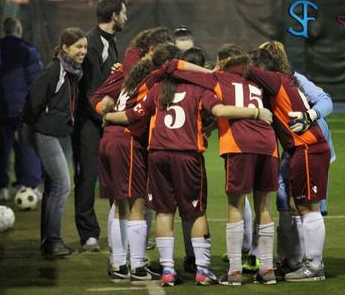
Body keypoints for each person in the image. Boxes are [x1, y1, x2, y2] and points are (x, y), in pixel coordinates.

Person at [102, 47, 273, 287]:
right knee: (195, 212)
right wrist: (255, 112)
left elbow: (133, 114)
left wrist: (108, 117)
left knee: (164, 212)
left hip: (158, 155)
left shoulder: (157, 89)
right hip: (187, 155)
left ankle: (168, 271)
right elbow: (218, 111)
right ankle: (203, 270)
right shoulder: (200, 89)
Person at [162, 44, 280, 285]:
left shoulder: (217, 78)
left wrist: (209, 72)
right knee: (265, 207)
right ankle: (267, 269)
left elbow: (172, 67)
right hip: (268, 143)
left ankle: (235, 271)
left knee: (235, 206)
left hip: (239, 144)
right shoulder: (254, 81)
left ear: (223, 62)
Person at [90, 43, 180, 282]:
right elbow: (135, 114)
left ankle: (119, 262)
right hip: (126, 141)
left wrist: (106, 116)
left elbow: (131, 52)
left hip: (110, 139)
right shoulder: (151, 81)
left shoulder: (132, 76)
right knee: (138, 204)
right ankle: (136, 265)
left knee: (121, 205)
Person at [246, 42, 330, 281]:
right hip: (299, 149)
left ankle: (314, 266)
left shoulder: (275, 79)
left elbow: (248, 70)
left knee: (308, 206)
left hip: (308, 148)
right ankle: (297, 261)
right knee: (294, 205)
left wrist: (227, 65)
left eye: (256, 66)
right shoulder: (283, 80)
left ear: (263, 66)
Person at [22, 27, 87, 258]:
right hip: (47, 133)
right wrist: (31, 128)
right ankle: (53, 242)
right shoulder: (54, 70)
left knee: (53, 187)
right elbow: (33, 101)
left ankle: (48, 242)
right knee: (62, 184)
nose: (83, 51)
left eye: (85, 47)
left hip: (62, 134)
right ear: (65, 47)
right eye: (78, 46)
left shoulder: (74, 71)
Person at [73, 0, 127, 252]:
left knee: (115, 176)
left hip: (106, 120)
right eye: (123, 13)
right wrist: (101, 116)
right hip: (91, 122)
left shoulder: (110, 42)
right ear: (114, 15)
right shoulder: (93, 42)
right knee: (88, 176)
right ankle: (88, 235)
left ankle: (122, 231)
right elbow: (87, 89)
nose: (126, 18)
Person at [0, 17, 42, 201]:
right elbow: (36, 80)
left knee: (2, 147)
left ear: (4, 30)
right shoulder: (28, 50)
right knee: (27, 145)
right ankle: (29, 185)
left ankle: (2, 186)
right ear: (19, 29)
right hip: (23, 107)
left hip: (1, 106)